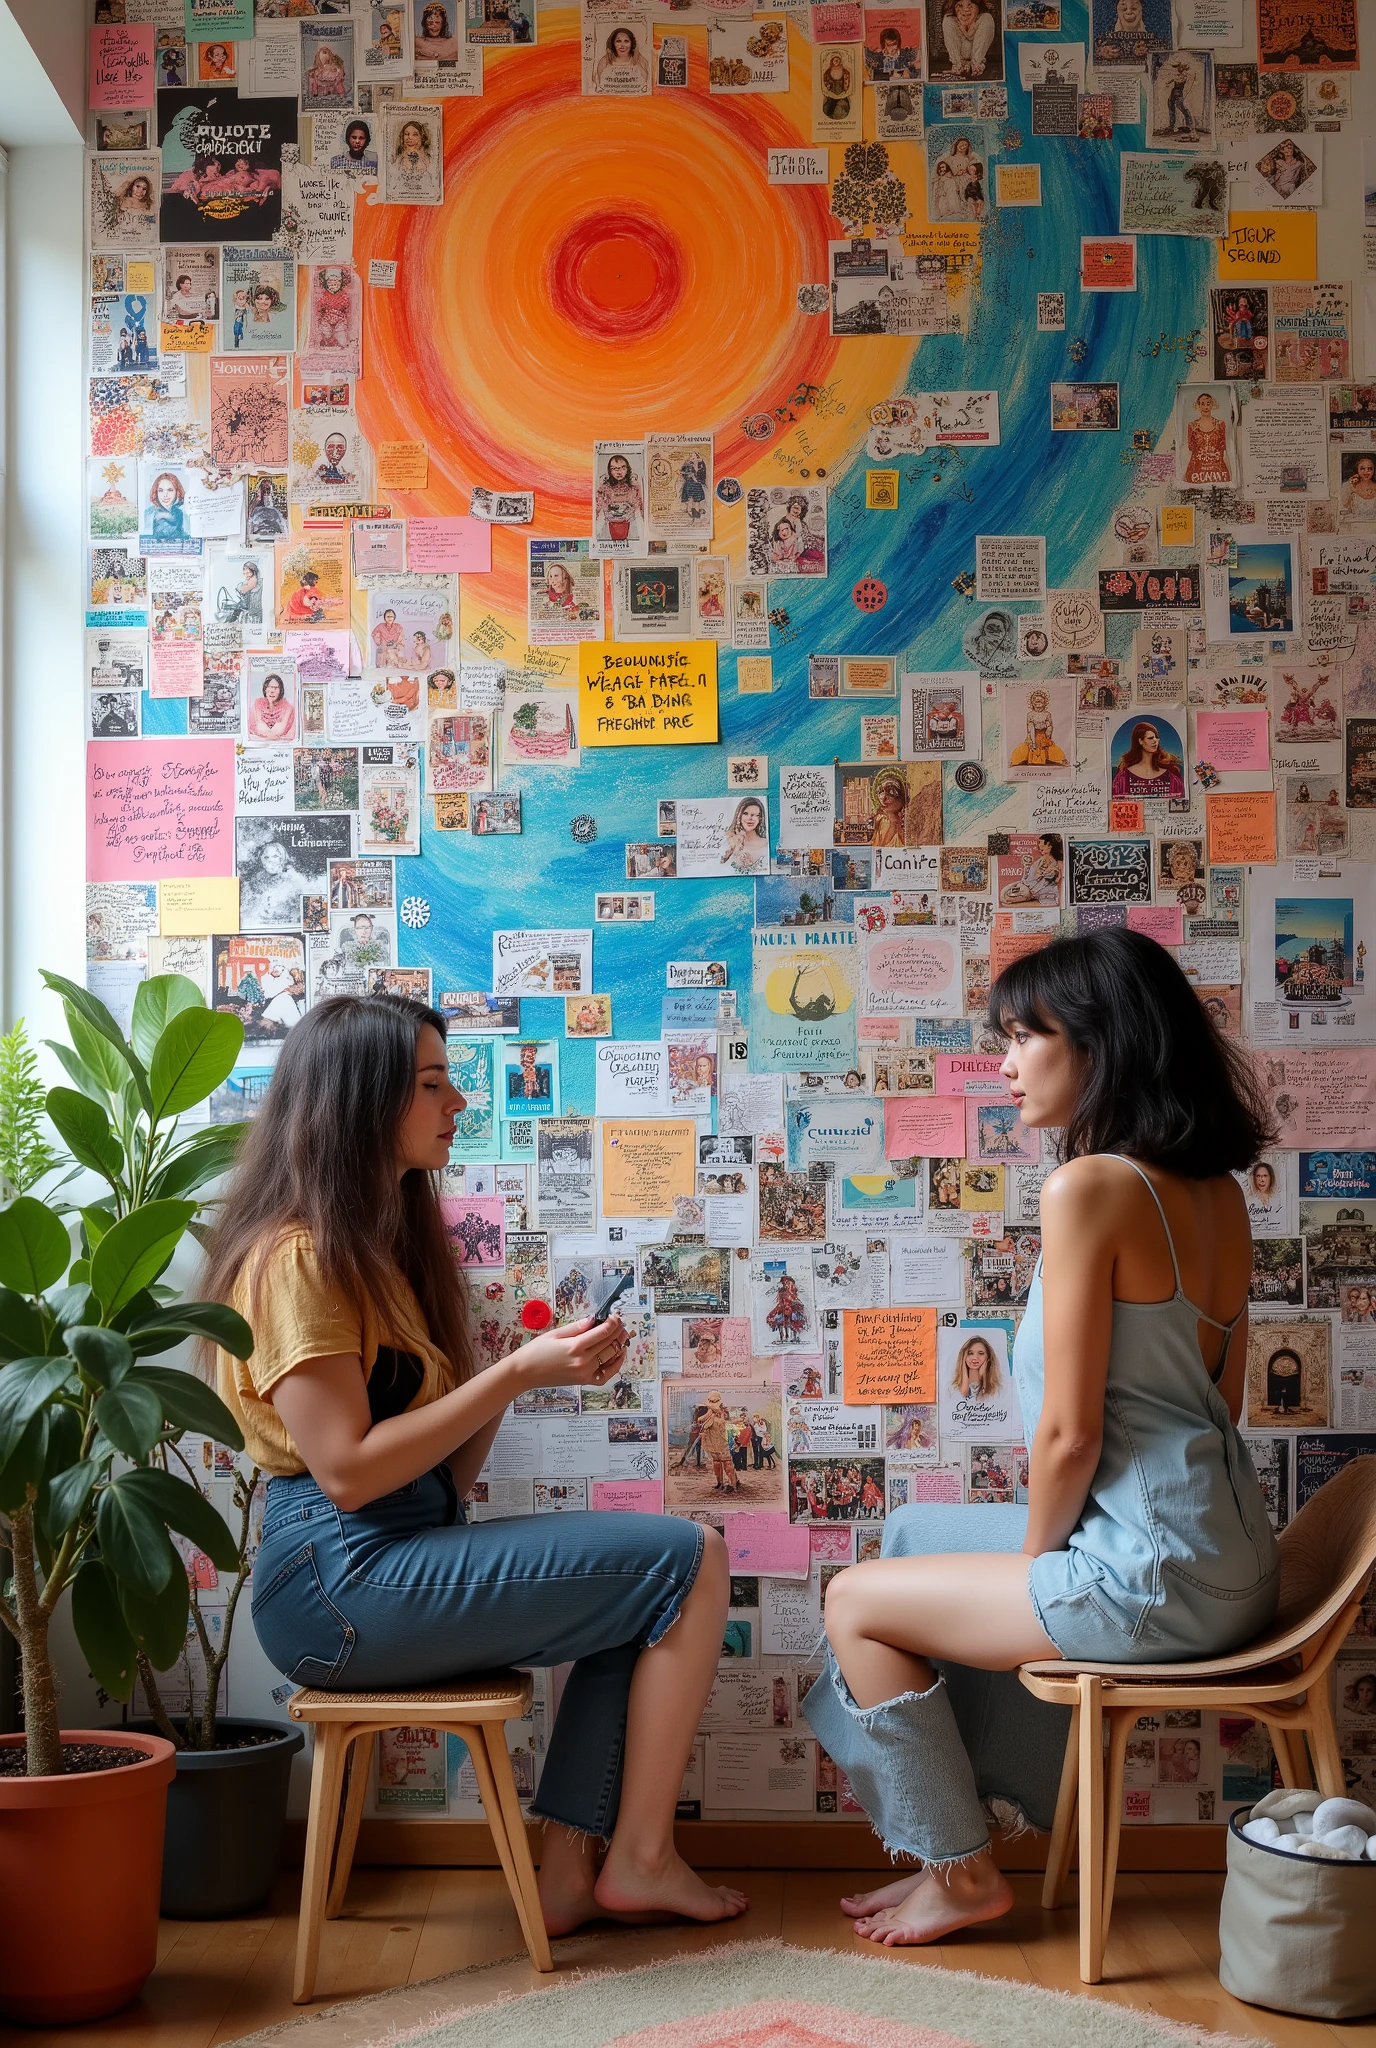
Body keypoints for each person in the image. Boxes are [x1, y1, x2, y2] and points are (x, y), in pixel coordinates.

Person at [208, 997, 746, 1935]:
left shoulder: (378, 1252)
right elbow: (344, 1471)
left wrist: (528, 1381)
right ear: (359, 1100)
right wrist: (512, 1373)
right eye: (431, 1083)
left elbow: (440, 1488)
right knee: (689, 1557)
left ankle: (577, 1874)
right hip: (335, 1577)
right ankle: (644, 1856)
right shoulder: (294, 1258)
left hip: (388, 1550)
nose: (458, 1101)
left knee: (647, 1589)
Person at [805, 927, 1277, 1944]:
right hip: (1234, 1558)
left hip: (1152, 1574)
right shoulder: (1217, 1193)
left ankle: (961, 1868)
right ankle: (977, 1825)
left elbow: (1065, 1434)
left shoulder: (1088, 1187)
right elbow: (1219, 1402)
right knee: (908, 1536)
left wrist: (1035, 1556)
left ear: (1100, 1044)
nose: (1004, 1062)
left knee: (851, 1600)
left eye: (1027, 1035)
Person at [1112, 720, 1185, 799]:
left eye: (1157, 737)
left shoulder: (1172, 777)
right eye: (1150, 738)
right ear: (1140, 741)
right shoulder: (1123, 779)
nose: (1155, 741)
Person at [940, 0, 996, 75]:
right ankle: (958, 65)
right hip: (960, 54)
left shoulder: (983, 18)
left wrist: (972, 23)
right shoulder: (952, 19)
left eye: (970, 5)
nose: (966, 10)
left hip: (977, 53)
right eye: (960, 5)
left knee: (987, 18)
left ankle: (976, 66)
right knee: (947, 20)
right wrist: (962, 26)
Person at [721, 796, 768, 873]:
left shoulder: (766, 844)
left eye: (756, 815)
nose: (750, 818)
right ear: (739, 815)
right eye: (746, 813)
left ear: (760, 818)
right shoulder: (729, 842)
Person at [248, 670, 296, 742]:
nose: (272, 691)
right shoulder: (258, 703)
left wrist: (267, 734)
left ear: (280, 691)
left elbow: (279, 731)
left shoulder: (287, 707)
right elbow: (258, 728)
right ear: (265, 689)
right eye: (269, 687)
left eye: (276, 688)